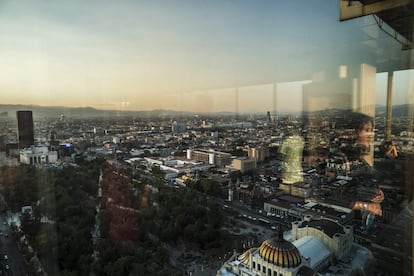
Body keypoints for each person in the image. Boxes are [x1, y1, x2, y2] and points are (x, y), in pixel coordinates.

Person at [340, 112, 384, 232]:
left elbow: (362, 184)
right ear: (354, 133)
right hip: (348, 225)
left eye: (371, 130)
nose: (371, 134)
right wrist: (366, 206)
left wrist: (377, 193)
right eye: (366, 130)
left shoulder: (359, 159)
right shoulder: (343, 159)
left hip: (362, 221)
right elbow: (335, 196)